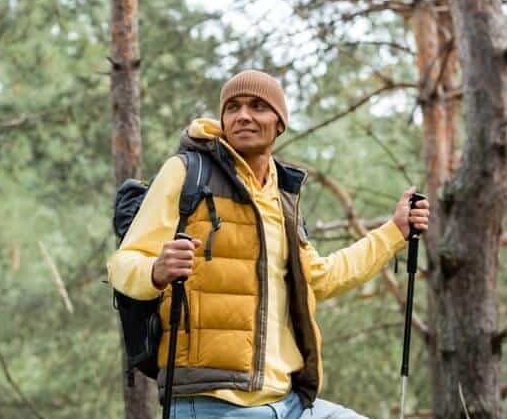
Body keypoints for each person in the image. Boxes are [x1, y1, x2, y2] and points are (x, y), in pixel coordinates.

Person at [107, 70, 430, 418]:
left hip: (289, 403)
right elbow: (122, 265)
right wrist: (156, 270)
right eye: (233, 107)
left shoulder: (280, 196)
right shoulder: (186, 172)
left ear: (279, 123)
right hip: (212, 403)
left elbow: (319, 278)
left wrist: (395, 231)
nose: (243, 115)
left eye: (258, 106)